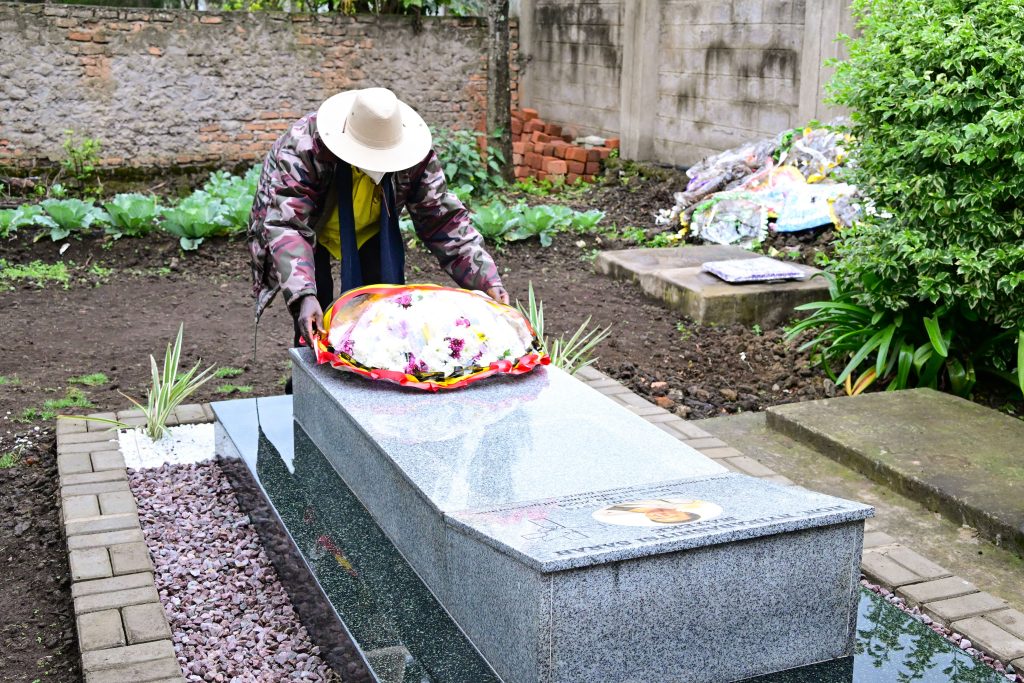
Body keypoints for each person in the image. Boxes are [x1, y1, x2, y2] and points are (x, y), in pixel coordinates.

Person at [246, 87, 509, 357]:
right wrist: (303, 295)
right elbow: (287, 224)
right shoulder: (304, 147)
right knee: (313, 310)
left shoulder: (415, 155)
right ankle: (309, 383)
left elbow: (443, 220)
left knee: (382, 311)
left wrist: (487, 281)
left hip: (372, 226)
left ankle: (377, 373)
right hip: (309, 229)